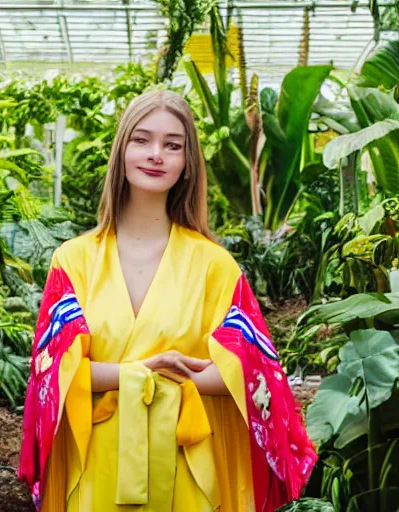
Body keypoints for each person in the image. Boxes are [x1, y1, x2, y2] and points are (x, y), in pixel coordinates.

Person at [18, 90, 317, 512]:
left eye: (172, 145)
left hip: (188, 466)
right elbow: (51, 376)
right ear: (121, 151)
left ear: (187, 164)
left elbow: (255, 375)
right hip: (98, 465)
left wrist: (188, 379)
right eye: (141, 140)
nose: (156, 154)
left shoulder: (215, 266)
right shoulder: (73, 261)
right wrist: (139, 371)